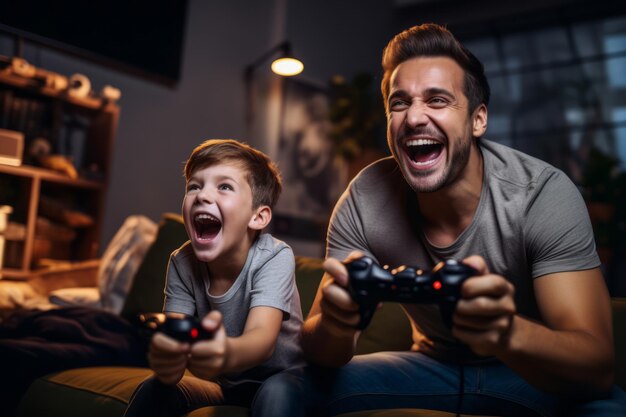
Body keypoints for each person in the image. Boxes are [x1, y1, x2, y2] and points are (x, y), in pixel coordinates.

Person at [300, 23, 626, 416]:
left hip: (529, 372)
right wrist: (336, 324)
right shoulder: (364, 198)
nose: (414, 117)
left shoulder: (542, 193)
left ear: (478, 120)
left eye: (437, 100)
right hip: (428, 368)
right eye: (399, 103)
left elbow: (596, 367)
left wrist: (507, 332)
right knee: (285, 390)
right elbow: (320, 349)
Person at [124, 139, 304, 417]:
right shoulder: (182, 262)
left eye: (224, 186)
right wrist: (168, 361)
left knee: (275, 393)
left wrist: (224, 354)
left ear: (258, 217)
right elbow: (175, 340)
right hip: (228, 386)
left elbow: (262, 341)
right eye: (194, 186)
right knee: (154, 389)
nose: (202, 196)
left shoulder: (274, 256)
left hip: (288, 381)